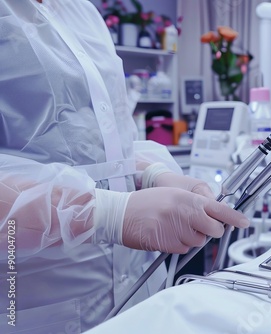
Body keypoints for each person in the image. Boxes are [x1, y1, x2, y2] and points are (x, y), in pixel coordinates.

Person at [0, 0, 250, 333]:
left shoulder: (81, 12)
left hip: (139, 287)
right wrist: (107, 213)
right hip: (39, 300)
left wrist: (152, 175)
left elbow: (108, 139)